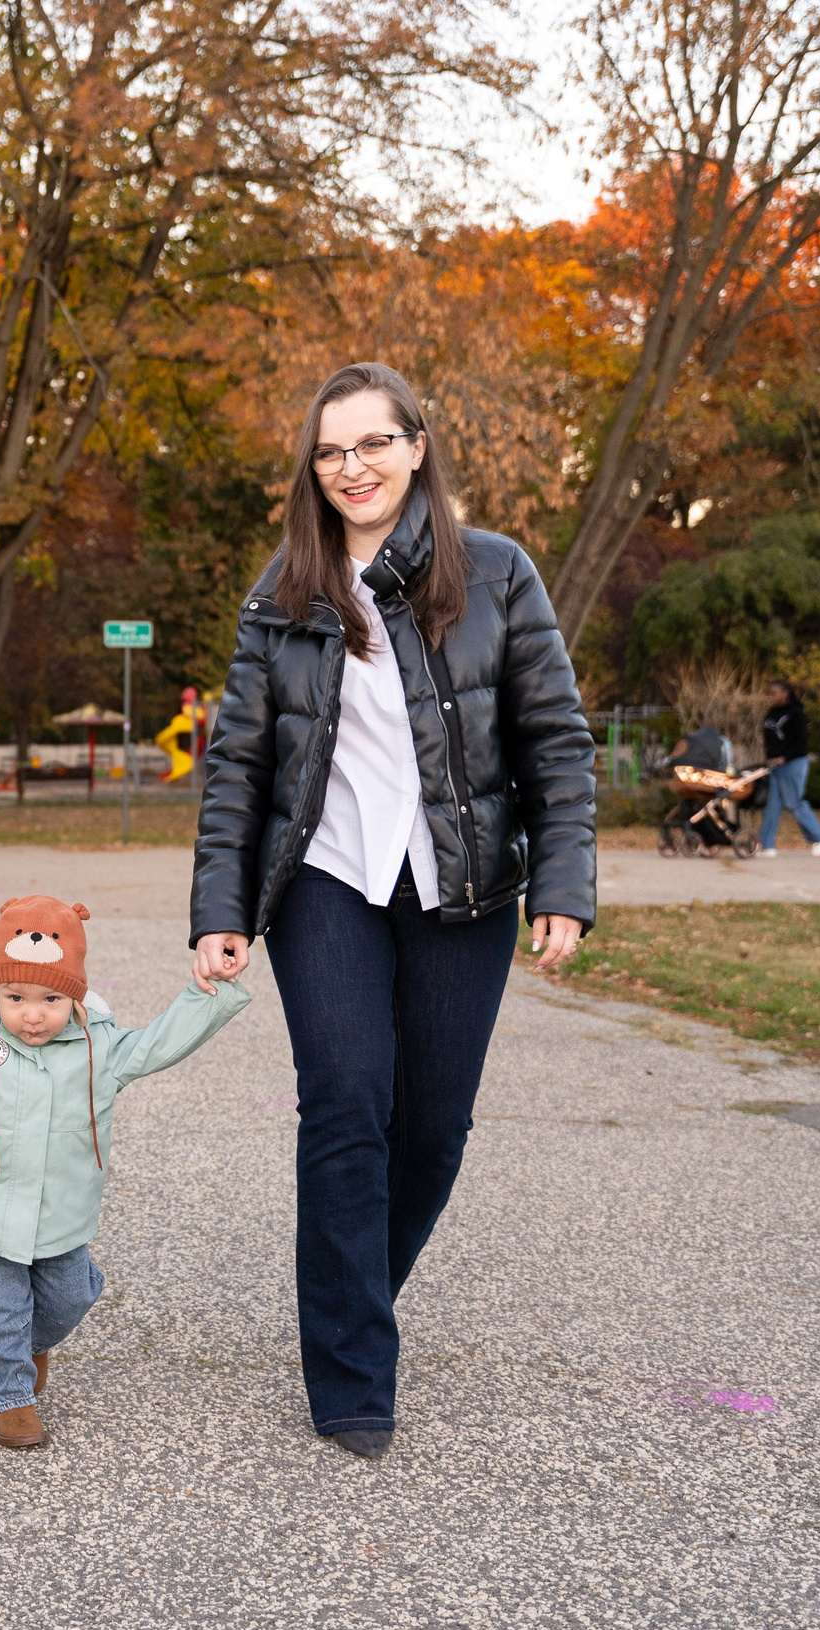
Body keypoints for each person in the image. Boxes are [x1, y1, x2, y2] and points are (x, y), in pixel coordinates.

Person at [188, 362, 596, 1461]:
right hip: (326, 883)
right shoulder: (282, 596)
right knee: (346, 1104)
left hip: (459, 886)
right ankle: (352, 1368)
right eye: (330, 452)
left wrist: (562, 884)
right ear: (310, 472)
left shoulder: (497, 575)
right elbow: (237, 764)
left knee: (431, 1126)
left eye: (372, 444)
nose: (351, 467)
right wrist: (218, 908)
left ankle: (349, 1289)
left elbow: (556, 741)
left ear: (418, 447)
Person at [0, 895, 250, 1450]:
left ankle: (23, 1342)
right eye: (15, 998)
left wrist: (212, 990)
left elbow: (163, 1042)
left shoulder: (99, 1047)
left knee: (68, 1299)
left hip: (62, 1218)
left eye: (50, 999)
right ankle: (10, 1396)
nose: (31, 1014)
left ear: (76, 997)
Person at [758, 681, 820, 856]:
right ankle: (767, 845)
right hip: (774, 765)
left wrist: (785, 757)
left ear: (785, 693)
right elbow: (768, 740)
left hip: (793, 763)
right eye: (768, 693)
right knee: (771, 805)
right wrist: (770, 758)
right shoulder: (770, 714)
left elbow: (801, 743)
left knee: (793, 803)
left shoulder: (797, 714)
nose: (770, 697)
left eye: (773, 693)